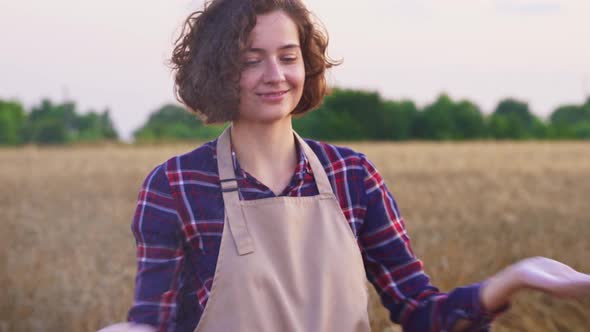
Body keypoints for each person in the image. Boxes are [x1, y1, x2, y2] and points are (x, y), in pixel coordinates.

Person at [100, 0, 590, 331]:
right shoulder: (175, 186)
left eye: (287, 57)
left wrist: (513, 279)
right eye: (252, 60)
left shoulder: (353, 176)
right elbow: (153, 322)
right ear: (218, 69)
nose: (275, 76)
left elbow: (419, 310)